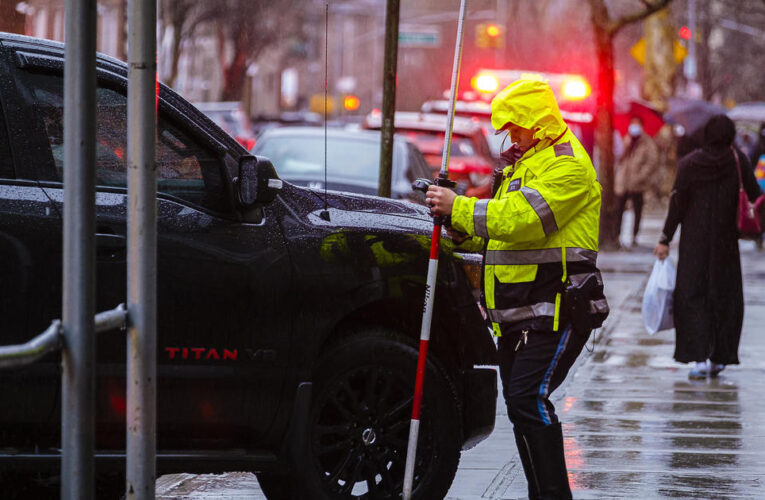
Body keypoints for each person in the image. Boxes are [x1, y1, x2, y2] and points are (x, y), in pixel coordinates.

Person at [426, 79, 605, 500]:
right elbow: (500, 234)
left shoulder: (569, 166)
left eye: (518, 128)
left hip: (558, 307)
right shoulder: (522, 164)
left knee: (528, 399)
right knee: (520, 404)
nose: (512, 136)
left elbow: (523, 219)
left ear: (540, 124)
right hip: (519, 313)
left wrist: (461, 207)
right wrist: (458, 228)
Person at [654, 115, 761, 379]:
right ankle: (719, 357)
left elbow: (677, 204)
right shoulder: (737, 161)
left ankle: (698, 359)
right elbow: (757, 196)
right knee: (724, 299)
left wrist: (665, 238)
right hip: (726, 245)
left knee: (692, 298)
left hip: (694, 245)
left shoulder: (690, 164)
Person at [614, 116, 659, 248]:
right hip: (623, 182)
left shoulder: (647, 142)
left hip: (637, 183)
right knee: (619, 210)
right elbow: (619, 157)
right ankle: (616, 235)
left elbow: (652, 161)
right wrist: (625, 147)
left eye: (637, 124)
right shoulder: (625, 139)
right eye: (632, 124)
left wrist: (641, 176)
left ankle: (634, 236)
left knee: (637, 210)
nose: (634, 127)